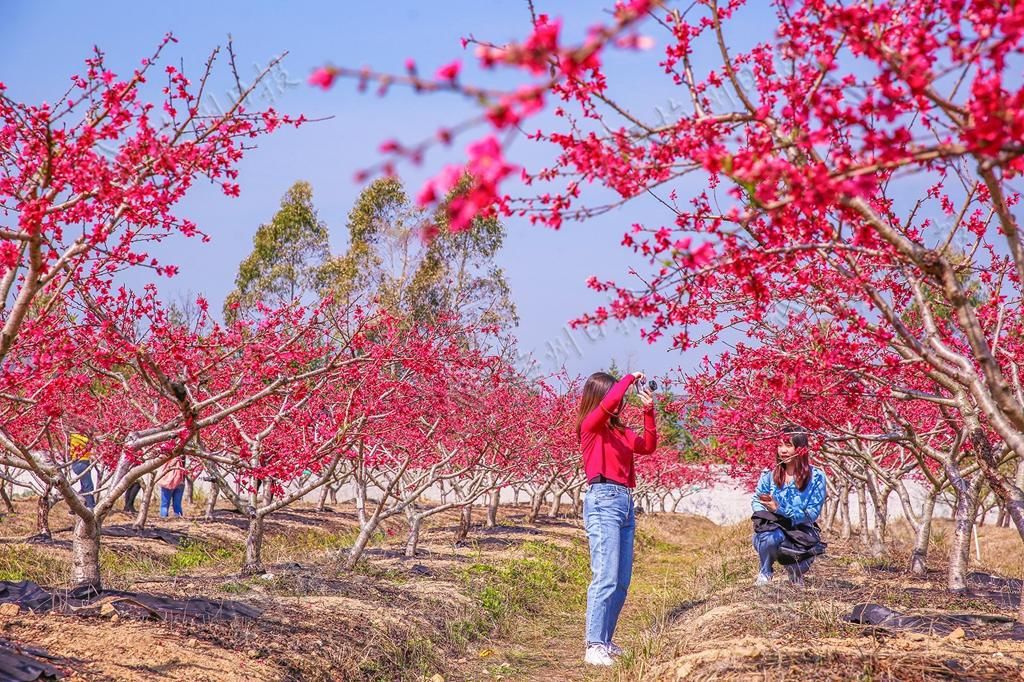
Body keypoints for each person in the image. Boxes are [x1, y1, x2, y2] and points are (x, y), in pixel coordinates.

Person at [577, 371, 658, 667]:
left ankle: (606, 641)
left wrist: (648, 410)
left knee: (621, 581)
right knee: (606, 577)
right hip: (603, 500)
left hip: (624, 502)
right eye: (616, 396)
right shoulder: (592, 426)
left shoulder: (620, 432)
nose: (621, 401)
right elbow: (610, 401)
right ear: (600, 396)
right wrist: (627, 378)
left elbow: (648, 446)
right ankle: (593, 644)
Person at [751, 425, 828, 587]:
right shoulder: (769, 475)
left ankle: (795, 572)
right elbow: (757, 498)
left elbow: (812, 513)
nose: (783, 450)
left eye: (788, 445)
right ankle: (765, 571)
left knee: (800, 561)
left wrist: (779, 509)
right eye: (780, 445)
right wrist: (763, 516)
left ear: (801, 449)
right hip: (775, 526)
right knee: (769, 537)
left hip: (801, 529)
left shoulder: (816, 477)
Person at [69, 431, 96, 510]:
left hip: (83, 463)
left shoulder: (79, 436)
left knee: (84, 487)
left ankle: (74, 507)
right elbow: (88, 442)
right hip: (80, 463)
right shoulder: (75, 436)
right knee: (88, 486)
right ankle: (91, 506)